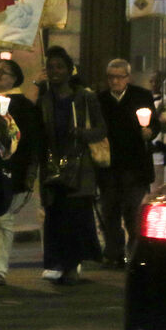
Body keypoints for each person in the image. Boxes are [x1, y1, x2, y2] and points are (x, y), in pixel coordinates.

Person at [37, 45, 105, 285]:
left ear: (69, 70)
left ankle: (72, 265)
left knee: (75, 217)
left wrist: (82, 133)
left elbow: (101, 129)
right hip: (53, 166)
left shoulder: (85, 97)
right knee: (56, 217)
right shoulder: (44, 100)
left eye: (59, 67)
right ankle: (60, 262)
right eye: (50, 67)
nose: (55, 71)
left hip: (79, 166)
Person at [0, 58, 42, 286]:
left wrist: (29, 171)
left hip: (11, 170)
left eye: (3, 72)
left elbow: (30, 141)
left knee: (2, 220)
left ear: (15, 78)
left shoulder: (23, 106)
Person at [95, 59, 155, 270]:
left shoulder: (141, 96)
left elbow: (154, 123)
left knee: (133, 211)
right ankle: (114, 252)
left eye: (119, 77)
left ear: (128, 78)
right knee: (109, 210)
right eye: (111, 77)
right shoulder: (101, 100)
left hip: (135, 165)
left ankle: (135, 252)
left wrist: (149, 132)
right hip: (109, 164)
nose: (115, 81)